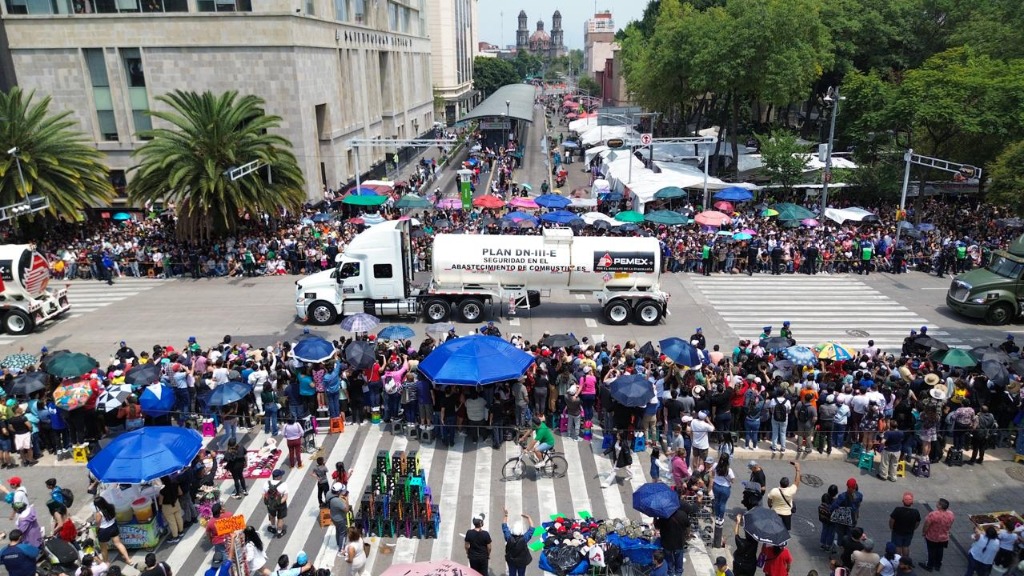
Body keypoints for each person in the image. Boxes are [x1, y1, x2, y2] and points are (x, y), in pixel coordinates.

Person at [92, 497, 132, 565]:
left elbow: (98, 524)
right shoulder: (111, 506)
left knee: (103, 548)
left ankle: (106, 563)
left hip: (103, 530)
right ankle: (128, 559)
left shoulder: (99, 513)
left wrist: (96, 531)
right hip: (113, 526)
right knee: (118, 543)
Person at [919, 498, 954, 572]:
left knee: (931, 551)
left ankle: (929, 565)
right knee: (940, 550)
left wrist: (924, 532)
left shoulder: (933, 514)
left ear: (940, 506)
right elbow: (951, 523)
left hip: (932, 537)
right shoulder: (951, 514)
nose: (936, 503)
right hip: (944, 537)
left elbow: (926, 525)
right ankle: (938, 565)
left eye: (938, 503)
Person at [766, 461, 800, 530]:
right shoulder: (791, 490)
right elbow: (797, 481)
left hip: (775, 512)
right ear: (788, 484)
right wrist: (798, 469)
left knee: (774, 529)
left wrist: (770, 506)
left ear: (780, 483)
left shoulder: (774, 491)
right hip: (786, 514)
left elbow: (769, 501)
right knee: (785, 531)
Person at [830, 478, 864, 547]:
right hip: (852, 518)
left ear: (847, 486)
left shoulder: (842, 496)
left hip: (841, 520)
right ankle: (847, 545)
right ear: (855, 486)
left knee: (840, 533)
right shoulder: (859, 495)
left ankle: (840, 544)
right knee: (850, 533)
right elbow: (858, 504)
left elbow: (833, 507)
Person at [501, 508, 533, 576]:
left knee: (512, 574)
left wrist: (506, 515)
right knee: (521, 574)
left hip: (511, 561)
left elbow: (504, 527)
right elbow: (531, 529)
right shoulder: (524, 539)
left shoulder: (509, 538)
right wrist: (529, 518)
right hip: (522, 561)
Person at [889, 492, 921, 558]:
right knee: (906, 546)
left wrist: (892, 528)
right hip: (909, 532)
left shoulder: (898, 510)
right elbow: (918, 522)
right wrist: (913, 528)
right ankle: (905, 560)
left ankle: (898, 559)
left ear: (903, 501)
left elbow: (892, 520)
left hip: (897, 531)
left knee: (898, 546)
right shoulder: (915, 512)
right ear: (912, 502)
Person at [157, 476, 184, 544]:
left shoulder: (162, 491)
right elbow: (180, 493)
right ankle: (181, 531)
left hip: (167, 507)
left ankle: (175, 536)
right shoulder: (176, 484)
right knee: (179, 518)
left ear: (162, 481)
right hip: (176, 503)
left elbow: (160, 502)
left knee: (172, 522)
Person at [263, 469, 288, 538]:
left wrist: (269, 502)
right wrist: (278, 503)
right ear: (278, 477)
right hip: (280, 505)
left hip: (270, 504)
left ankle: (273, 528)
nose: (282, 476)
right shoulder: (283, 484)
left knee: (272, 515)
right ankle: (280, 532)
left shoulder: (266, 483)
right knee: (280, 518)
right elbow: (285, 497)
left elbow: (264, 495)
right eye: (281, 475)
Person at [710, 453, 734, 524]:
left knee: (717, 501)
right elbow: (732, 480)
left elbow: (713, 473)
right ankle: (720, 519)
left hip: (716, 486)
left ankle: (717, 517)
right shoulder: (729, 470)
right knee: (723, 503)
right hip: (725, 488)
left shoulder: (715, 465)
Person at [327, 483, 350, 555]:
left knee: (338, 530)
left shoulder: (328, 493)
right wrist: (346, 500)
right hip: (340, 519)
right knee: (343, 533)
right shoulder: (337, 501)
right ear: (338, 492)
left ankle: (338, 543)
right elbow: (346, 509)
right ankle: (341, 550)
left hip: (333, 516)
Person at [818, 484, 839, 551]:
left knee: (824, 530)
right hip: (832, 520)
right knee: (831, 532)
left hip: (824, 518)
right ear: (836, 493)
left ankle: (822, 543)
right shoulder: (836, 501)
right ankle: (828, 545)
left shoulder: (825, 496)